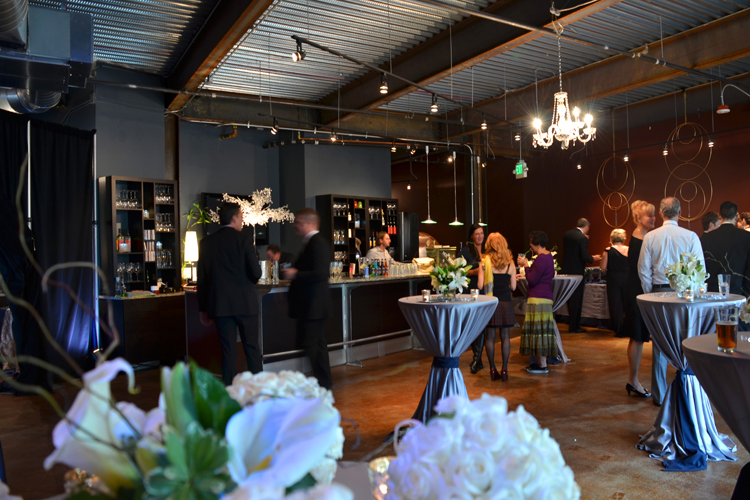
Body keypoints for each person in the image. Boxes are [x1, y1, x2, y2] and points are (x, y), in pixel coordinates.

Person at [638, 197, 704, 406]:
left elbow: (643, 270)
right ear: (680, 212)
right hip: (685, 294)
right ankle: (688, 390)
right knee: (688, 340)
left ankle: (659, 395)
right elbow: (700, 269)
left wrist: (650, 293)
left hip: (658, 293)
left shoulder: (650, 237)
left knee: (660, 343)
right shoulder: (690, 236)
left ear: (660, 213)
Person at [198, 202, 263, 385]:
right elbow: (256, 273)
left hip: (221, 306)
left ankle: (229, 393)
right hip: (245, 303)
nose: (242, 221)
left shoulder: (206, 243)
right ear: (234, 218)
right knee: (251, 349)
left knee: (228, 352)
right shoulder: (244, 240)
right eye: (241, 217)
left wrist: (203, 309)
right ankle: (260, 392)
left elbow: (202, 279)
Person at [282, 208, 333, 390]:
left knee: (313, 347)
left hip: (314, 305)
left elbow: (320, 273)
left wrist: (295, 274)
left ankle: (323, 384)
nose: (295, 225)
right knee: (316, 346)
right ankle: (324, 384)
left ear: (308, 223)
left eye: (298, 222)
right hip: (312, 305)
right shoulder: (312, 243)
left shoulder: (317, 243)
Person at [620, 201, 656, 399]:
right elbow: (642, 270)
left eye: (653, 215)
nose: (653, 218)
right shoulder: (640, 238)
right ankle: (633, 380)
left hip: (636, 289)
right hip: (637, 290)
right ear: (639, 218)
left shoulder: (641, 236)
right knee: (638, 336)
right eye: (649, 215)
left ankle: (633, 380)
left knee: (637, 337)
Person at [517, 231, 556, 374]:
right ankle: (540, 363)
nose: (530, 246)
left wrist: (526, 266)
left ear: (538, 245)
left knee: (538, 333)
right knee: (541, 332)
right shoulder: (549, 257)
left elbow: (532, 280)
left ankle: (542, 365)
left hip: (538, 299)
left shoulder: (541, 258)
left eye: (532, 244)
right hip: (545, 298)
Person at [482, 232, 517, 382]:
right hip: (505, 303)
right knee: (505, 337)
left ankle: (492, 369)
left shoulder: (485, 262)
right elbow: (514, 287)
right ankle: (504, 369)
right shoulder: (510, 263)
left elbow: (480, 285)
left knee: (489, 337)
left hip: (490, 303)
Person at [701, 201, 750, 297]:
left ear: (720, 216)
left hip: (712, 292)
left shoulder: (707, 238)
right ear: (736, 216)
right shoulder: (746, 237)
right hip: (738, 290)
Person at [562, 218, 600, 333]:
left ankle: (571, 323)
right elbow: (584, 256)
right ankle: (574, 326)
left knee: (569, 297)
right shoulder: (582, 238)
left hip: (566, 270)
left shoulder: (567, 235)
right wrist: (593, 258)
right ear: (587, 227)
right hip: (577, 272)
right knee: (577, 298)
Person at [459, 224, 486, 373]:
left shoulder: (488, 251)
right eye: (477, 234)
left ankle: (478, 358)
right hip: (471, 290)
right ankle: (477, 358)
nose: (480, 236)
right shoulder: (465, 251)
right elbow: (458, 271)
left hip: (486, 291)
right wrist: (475, 272)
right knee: (472, 324)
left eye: (481, 233)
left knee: (482, 324)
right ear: (471, 236)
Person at [600, 228, 628, 338]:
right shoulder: (629, 249)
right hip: (627, 278)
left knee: (615, 304)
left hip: (613, 279)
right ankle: (628, 328)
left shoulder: (608, 250)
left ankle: (618, 330)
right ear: (623, 238)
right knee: (627, 303)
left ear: (612, 238)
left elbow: (603, 267)